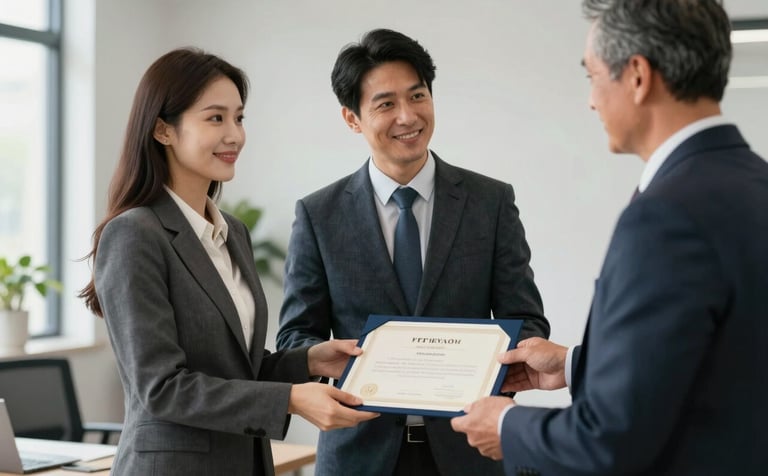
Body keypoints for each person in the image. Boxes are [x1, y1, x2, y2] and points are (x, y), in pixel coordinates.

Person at [451, 1, 768, 475]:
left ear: (637, 76)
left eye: (592, 76)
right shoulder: (754, 182)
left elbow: (610, 443)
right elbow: (717, 366)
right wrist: (575, 365)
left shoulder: (665, 217)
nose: (592, 100)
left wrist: (508, 426)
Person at [79, 48, 377, 476]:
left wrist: (311, 361)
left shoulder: (232, 232)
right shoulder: (134, 234)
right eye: (215, 118)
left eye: (239, 118)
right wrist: (292, 399)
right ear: (163, 130)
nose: (234, 135)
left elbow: (238, 367)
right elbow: (160, 389)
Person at [276, 29, 550, 476]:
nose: (408, 116)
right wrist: (334, 363)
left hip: (469, 453)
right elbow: (294, 337)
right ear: (352, 118)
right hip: (358, 456)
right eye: (385, 104)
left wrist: (493, 379)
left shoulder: (489, 201)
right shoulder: (318, 214)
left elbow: (526, 320)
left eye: (418, 96)